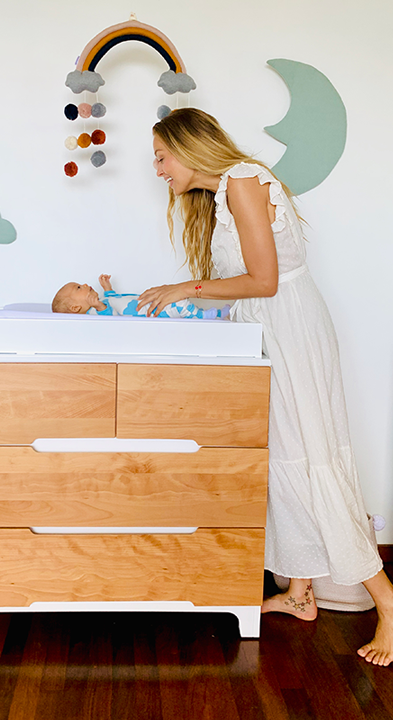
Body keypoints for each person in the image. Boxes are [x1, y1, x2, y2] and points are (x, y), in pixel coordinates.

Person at [137, 107, 393, 666]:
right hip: (268, 333)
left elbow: (265, 281)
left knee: (313, 459)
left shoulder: (245, 181)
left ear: (188, 147)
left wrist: (185, 288)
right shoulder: (223, 193)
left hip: (291, 332)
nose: (157, 169)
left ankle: (388, 603)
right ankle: (301, 594)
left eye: (161, 156)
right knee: (282, 459)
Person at [52, 274, 230, 318]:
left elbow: (115, 300)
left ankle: (209, 313)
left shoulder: (102, 302)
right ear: (75, 308)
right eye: (78, 288)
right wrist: (99, 306)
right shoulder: (94, 314)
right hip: (147, 311)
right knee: (177, 305)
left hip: (144, 301)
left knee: (172, 299)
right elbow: (111, 318)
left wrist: (108, 289)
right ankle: (205, 316)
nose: (84, 284)